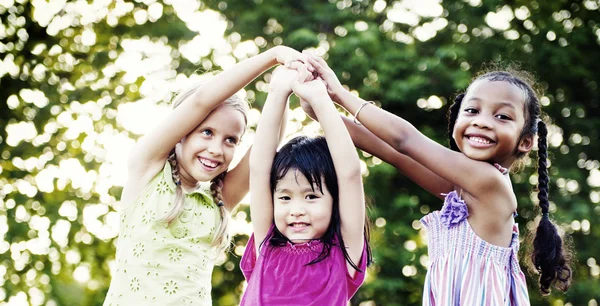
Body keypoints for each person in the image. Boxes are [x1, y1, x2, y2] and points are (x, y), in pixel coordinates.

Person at [303, 54, 573, 305]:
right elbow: (393, 152)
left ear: (525, 142)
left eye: (502, 116)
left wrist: (337, 94)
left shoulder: (490, 183)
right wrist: (321, 111)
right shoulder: (464, 188)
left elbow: (404, 140)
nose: (482, 122)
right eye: (472, 111)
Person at [103, 46, 302, 305]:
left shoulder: (219, 200)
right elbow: (202, 101)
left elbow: (267, 148)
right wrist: (273, 56)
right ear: (182, 131)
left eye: (231, 140)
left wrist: (281, 87)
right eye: (207, 132)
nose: (216, 149)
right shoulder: (147, 169)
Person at [239, 64, 372, 305]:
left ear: (336, 201)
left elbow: (350, 174)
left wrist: (320, 99)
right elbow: (259, 171)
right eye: (285, 197)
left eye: (311, 196)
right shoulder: (266, 246)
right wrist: (278, 92)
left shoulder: (343, 254)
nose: (296, 209)